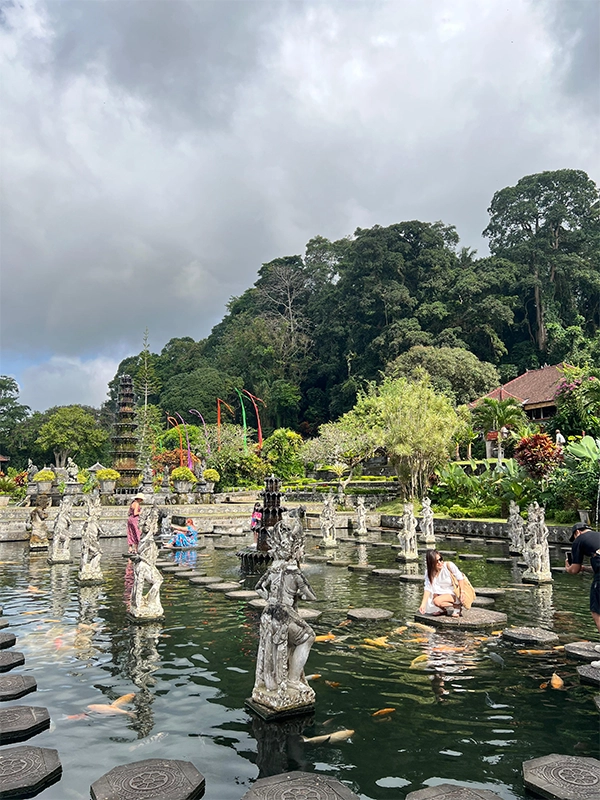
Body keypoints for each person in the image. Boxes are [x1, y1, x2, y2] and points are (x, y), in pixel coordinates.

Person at [565, 521, 600, 664]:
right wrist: (585, 568)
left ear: (577, 532)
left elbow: (574, 570)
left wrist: (568, 568)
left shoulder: (579, 540)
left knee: (597, 611)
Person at [419, 549, 467, 617]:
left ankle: (457, 606)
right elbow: (427, 588)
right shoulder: (429, 572)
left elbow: (460, 578)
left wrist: (462, 592)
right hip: (440, 593)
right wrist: (422, 604)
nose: (439, 562)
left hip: (453, 592)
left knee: (436, 601)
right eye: (436, 561)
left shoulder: (449, 566)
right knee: (431, 596)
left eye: (440, 559)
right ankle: (442, 609)